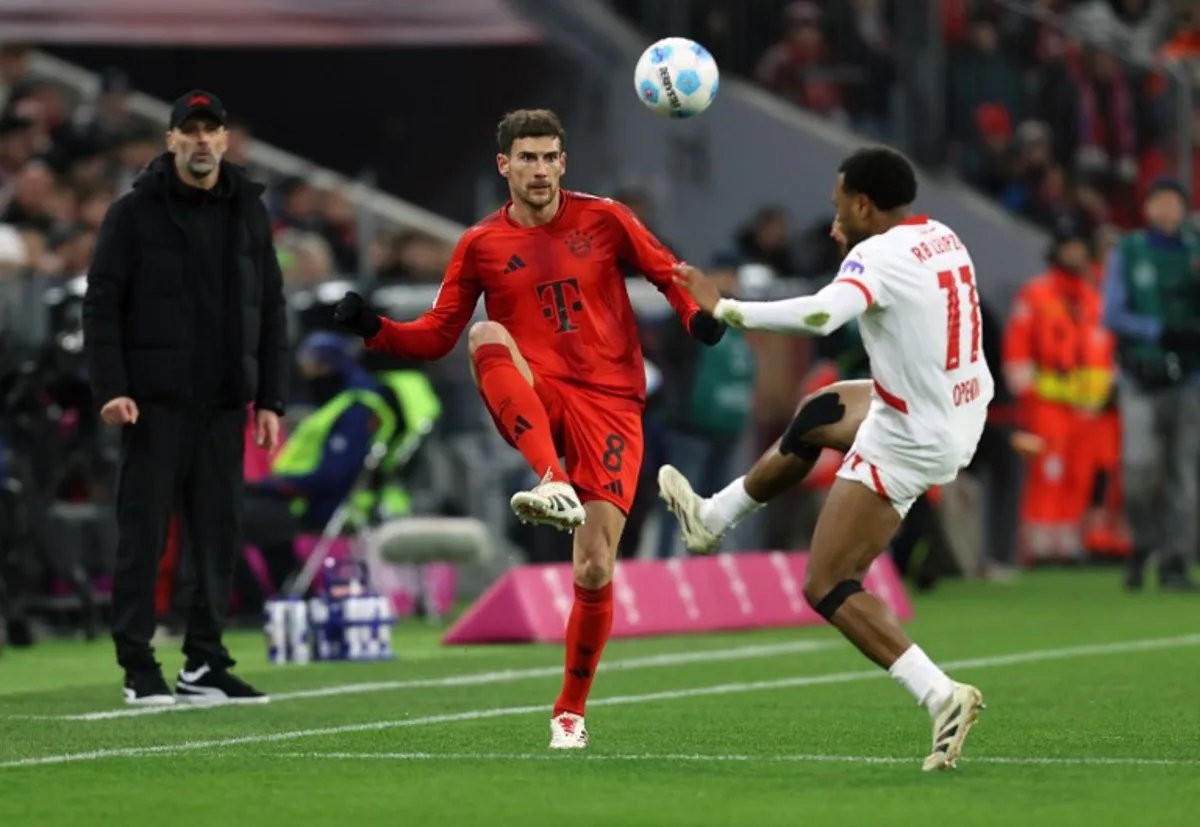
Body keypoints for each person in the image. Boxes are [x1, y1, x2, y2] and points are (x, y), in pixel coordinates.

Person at [333, 108, 724, 748]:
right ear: (504, 166)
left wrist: (696, 319)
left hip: (611, 402)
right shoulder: (480, 244)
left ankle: (569, 709)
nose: (539, 170)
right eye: (527, 158)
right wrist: (373, 329)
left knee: (595, 568)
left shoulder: (605, 218)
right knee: (488, 332)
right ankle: (551, 478)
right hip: (539, 391)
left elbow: (666, 272)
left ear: (563, 162)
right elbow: (437, 336)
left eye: (549, 157)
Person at [659, 147, 992, 771]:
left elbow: (822, 314)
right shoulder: (940, 235)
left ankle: (940, 693)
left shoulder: (877, 254)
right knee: (819, 412)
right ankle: (711, 517)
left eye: (840, 208)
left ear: (864, 204)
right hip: (954, 406)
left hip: (912, 435)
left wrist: (724, 308)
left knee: (826, 583)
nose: (835, 222)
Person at [82, 90, 288, 705]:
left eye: (211, 130)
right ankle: (137, 664)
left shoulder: (249, 211)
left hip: (224, 403)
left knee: (217, 537)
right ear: (170, 140)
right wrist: (112, 388)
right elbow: (102, 303)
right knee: (144, 535)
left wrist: (271, 399)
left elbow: (271, 308)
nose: (202, 141)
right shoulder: (135, 213)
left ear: (225, 141)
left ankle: (203, 663)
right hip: (154, 403)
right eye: (190, 130)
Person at [1101, 178, 1200, 592]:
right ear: (1146, 208)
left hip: (1190, 376)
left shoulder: (1196, 252)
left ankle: (1175, 560)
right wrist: (1158, 329)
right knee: (1139, 470)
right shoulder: (1129, 251)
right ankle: (1143, 543)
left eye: (1173, 202)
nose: (1165, 210)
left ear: (1183, 209)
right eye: (1157, 201)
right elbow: (1112, 313)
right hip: (1141, 375)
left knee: (1184, 473)